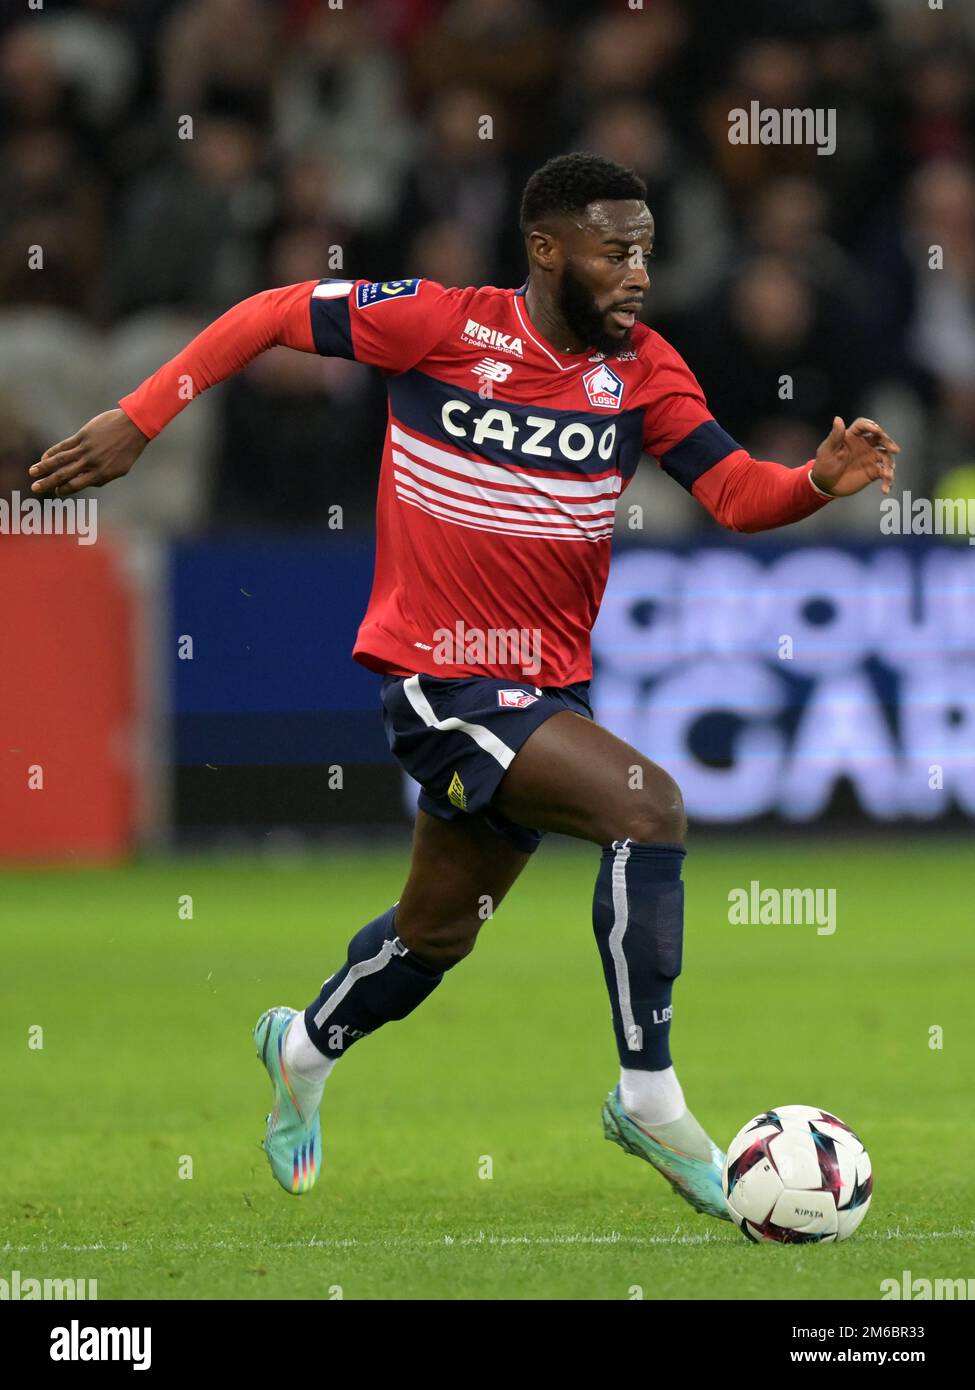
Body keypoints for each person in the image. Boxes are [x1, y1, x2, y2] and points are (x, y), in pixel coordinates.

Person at [29, 153, 898, 1217]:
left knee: (434, 934)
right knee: (649, 808)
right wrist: (140, 415)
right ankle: (648, 1098)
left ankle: (300, 1048)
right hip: (441, 679)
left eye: (646, 252)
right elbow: (267, 314)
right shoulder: (439, 325)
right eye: (615, 251)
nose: (638, 272)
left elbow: (732, 493)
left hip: (546, 693)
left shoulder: (645, 372)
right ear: (546, 249)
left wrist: (813, 483)